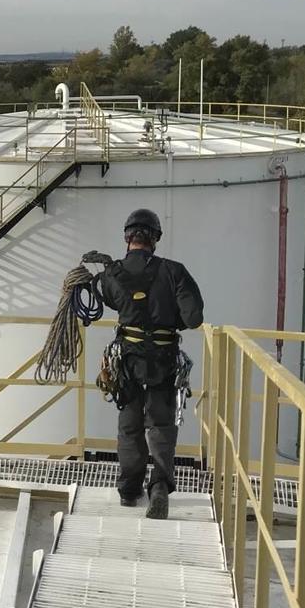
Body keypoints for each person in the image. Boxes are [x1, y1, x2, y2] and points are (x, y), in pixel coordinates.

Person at [99, 208, 204, 520]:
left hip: (127, 363)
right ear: (155, 238)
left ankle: (129, 490)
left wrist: (105, 272)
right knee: (159, 425)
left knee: (130, 427)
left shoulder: (113, 273)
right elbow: (194, 318)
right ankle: (158, 487)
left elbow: (108, 298)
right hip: (163, 361)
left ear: (127, 237)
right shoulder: (175, 272)